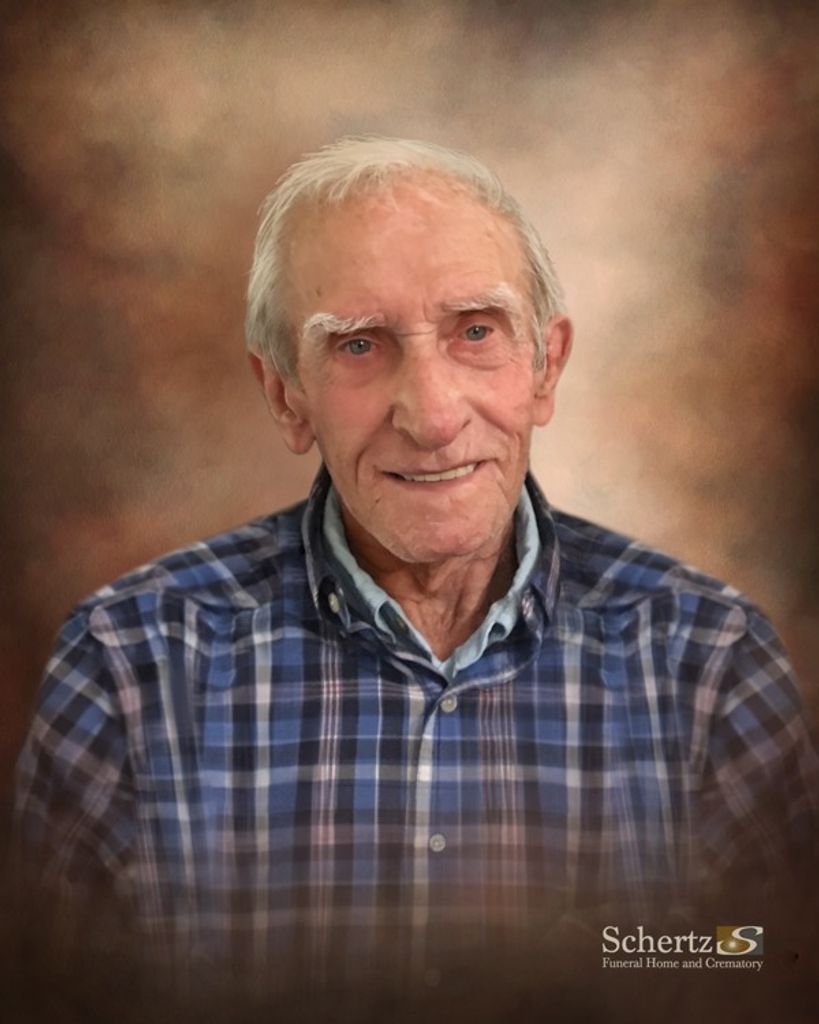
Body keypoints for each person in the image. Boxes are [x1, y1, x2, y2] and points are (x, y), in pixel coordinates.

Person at [14, 137, 818, 998]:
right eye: (359, 345)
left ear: (544, 366)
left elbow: (768, 968)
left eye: (475, 331)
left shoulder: (710, 661)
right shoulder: (127, 665)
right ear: (286, 395)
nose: (432, 417)